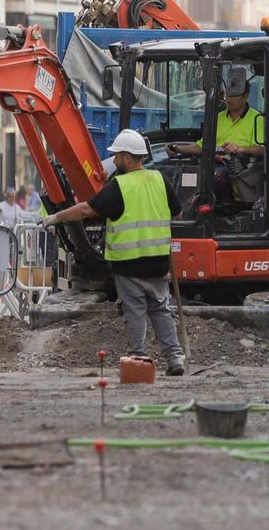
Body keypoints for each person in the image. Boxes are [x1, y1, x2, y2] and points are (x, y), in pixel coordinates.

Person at [40, 129, 186, 376]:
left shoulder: (120, 185)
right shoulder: (160, 180)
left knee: (135, 310)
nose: (115, 161)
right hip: (159, 262)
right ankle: (175, 358)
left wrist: (56, 217)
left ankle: (139, 358)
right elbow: (177, 213)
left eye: (117, 156)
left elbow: (87, 210)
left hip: (128, 264)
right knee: (161, 308)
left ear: (128, 158)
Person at [169, 69, 264, 201]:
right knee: (180, 173)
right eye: (228, 95)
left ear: (245, 96)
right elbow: (202, 146)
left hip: (240, 169)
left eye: (234, 96)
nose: (228, 99)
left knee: (212, 177)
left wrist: (240, 149)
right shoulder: (217, 118)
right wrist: (178, 148)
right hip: (214, 163)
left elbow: (261, 149)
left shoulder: (257, 118)